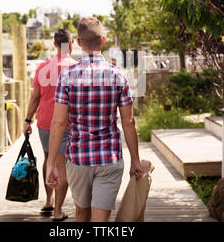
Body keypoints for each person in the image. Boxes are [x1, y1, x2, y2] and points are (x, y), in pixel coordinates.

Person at [46, 17, 143, 222]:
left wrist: (51, 163)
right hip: (109, 157)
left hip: (78, 158)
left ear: (78, 43)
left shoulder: (67, 76)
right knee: (101, 219)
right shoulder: (118, 76)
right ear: (103, 40)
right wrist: (135, 159)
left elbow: (58, 123)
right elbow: (128, 122)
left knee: (81, 212)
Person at [24, 29, 76, 222]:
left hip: (45, 122)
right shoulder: (75, 68)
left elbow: (34, 98)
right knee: (62, 165)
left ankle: (48, 201)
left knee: (48, 159)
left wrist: (27, 120)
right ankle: (58, 211)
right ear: (71, 44)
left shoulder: (43, 67)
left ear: (54, 45)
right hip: (67, 123)